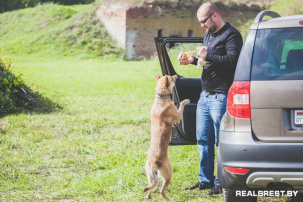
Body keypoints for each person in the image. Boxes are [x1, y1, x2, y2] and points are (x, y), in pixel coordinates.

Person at [179, 3, 243, 195]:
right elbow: (206, 61)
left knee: (220, 142)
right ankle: (205, 180)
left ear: (214, 15)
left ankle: (222, 183)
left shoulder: (232, 35)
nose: (201, 26)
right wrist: (191, 61)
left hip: (221, 96)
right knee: (203, 139)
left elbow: (234, 61)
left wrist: (209, 54)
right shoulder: (209, 33)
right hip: (205, 95)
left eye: (203, 21)